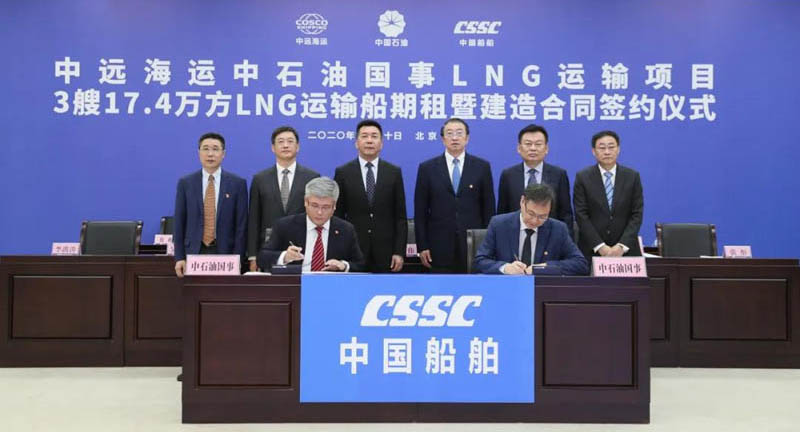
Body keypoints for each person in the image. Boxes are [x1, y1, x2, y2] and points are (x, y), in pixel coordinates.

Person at [414, 118, 495, 273]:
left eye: (459, 133)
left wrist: (488, 244)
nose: (455, 138)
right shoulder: (427, 168)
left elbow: (489, 209)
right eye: (449, 133)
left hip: (473, 244)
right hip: (438, 244)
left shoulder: (482, 167)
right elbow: (420, 211)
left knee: (474, 285)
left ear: (467, 138)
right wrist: (422, 246)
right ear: (443, 139)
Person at [333, 120, 407, 273]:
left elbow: (400, 217)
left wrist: (399, 252)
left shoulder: (393, 172)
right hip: (353, 250)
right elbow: (337, 215)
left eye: (374, 136)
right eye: (364, 136)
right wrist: (339, 249)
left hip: (386, 252)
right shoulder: (343, 172)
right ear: (356, 143)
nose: (369, 140)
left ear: (381, 143)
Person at [173, 132, 248, 277]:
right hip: (193, 252)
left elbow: (241, 225)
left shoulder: (237, 184)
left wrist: (238, 257)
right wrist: (179, 257)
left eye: (215, 149)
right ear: (199, 153)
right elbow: (179, 222)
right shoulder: (186, 183)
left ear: (223, 154)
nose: (210, 154)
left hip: (226, 253)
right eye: (206, 149)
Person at [247, 126, 320, 271]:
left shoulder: (312, 177)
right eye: (280, 142)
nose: (285, 145)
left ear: (297, 147)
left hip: (303, 248)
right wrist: (253, 256)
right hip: (269, 248)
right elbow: (254, 219)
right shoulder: (260, 179)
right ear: (273, 148)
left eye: (290, 141)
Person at [473, 184, 588, 275]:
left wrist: (546, 267)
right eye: (531, 214)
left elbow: (580, 263)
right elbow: (480, 261)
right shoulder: (499, 224)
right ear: (522, 202)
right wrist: (505, 268)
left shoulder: (558, 229)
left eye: (542, 216)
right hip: (507, 287)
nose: (534, 221)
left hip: (542, 290)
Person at [257, 177, 365, 272]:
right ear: (305, 202)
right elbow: (262, 258)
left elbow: (360, 264)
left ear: (334, 206)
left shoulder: (346, 229)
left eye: (326, 207)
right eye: (314, 205)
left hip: (330, 284)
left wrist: (343, 265)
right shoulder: (285, 225)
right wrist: (285, 256)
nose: (319, 212)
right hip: (295, 284)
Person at [573, 130, 644, 262]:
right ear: (593, 151)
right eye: (602, 148)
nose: (607, 152)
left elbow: (637, 214)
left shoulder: (632, 176)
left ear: (618, 149)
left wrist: (621, 246)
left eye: (611, 147)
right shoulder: (583, 177)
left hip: (626, 251)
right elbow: (581, 214)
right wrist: (600, 246)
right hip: (592, 251)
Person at [497, 124, 574, 238]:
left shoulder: (559, 175)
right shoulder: (508, 175)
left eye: (538, 144)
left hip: (550, 237)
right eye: (528, 144)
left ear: (546, 149)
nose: (533, 148)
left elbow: (565, 214)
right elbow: (502, 212)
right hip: (515, 236)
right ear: (519, 148)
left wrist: (566, 240)